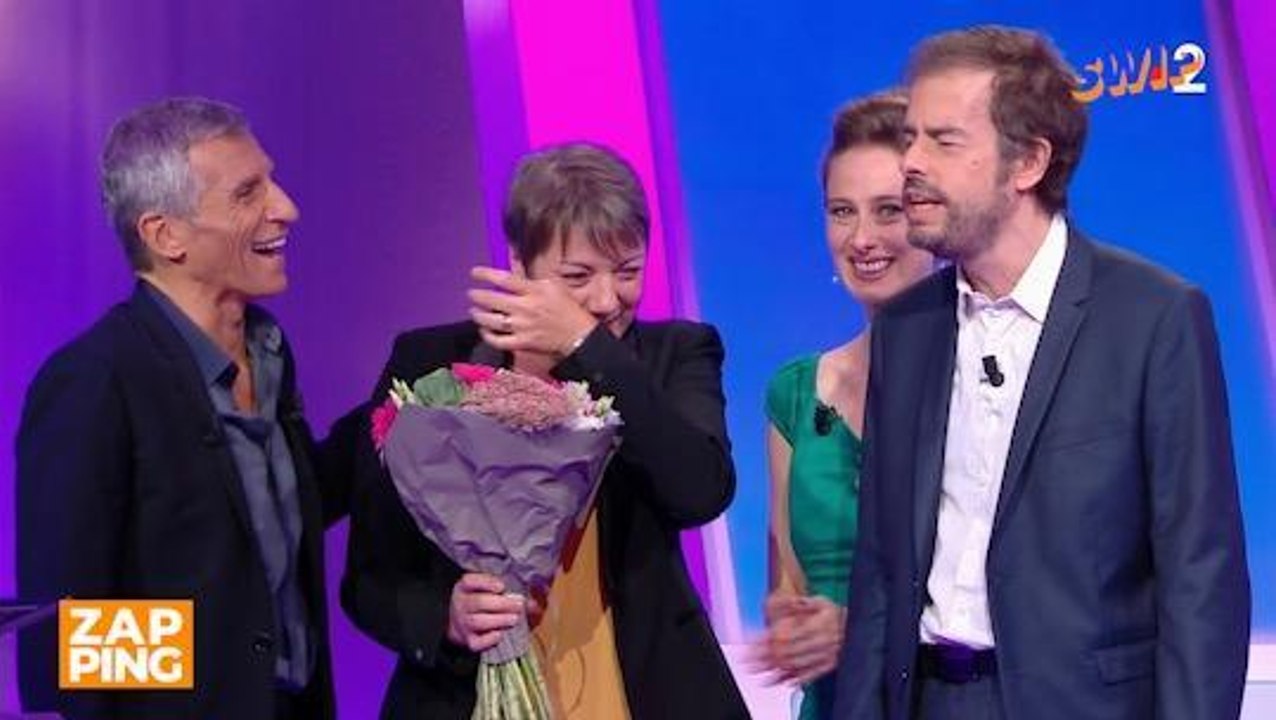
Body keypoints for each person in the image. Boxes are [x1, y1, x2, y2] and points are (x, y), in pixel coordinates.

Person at [833, 25, 1250, 720]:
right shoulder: (907, 329)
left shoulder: (1153, 318)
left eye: (943, 140)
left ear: (1026, 162)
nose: (911, 163)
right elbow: (880, 568)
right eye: (911, 138)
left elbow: (1199, 576)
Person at [337, 142, 749, 719]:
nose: (607, 301)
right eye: (577, 276)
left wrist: (588, 348)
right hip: (470, 697)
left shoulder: (674, 354)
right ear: (519, 263)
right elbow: (368, 578)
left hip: (637, 691)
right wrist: (443, 615)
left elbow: (700, 489)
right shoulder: (427, 362)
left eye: (629, 271)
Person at [16, 97, 345, 719]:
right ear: (165, 235)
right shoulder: (94, 380)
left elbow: (264, 524)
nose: (286, 208)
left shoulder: (272, 351)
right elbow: (64, 640)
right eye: (248, 193)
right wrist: (219, 674)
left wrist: (413, 405)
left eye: (270, 181)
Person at [754, 91, 932, 719]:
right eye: (841, 211)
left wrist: (860, 629)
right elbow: (789, 583)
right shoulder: (795, 392)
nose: (861, 239)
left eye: (889, 211)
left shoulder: (988, 379)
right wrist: (788, 621)